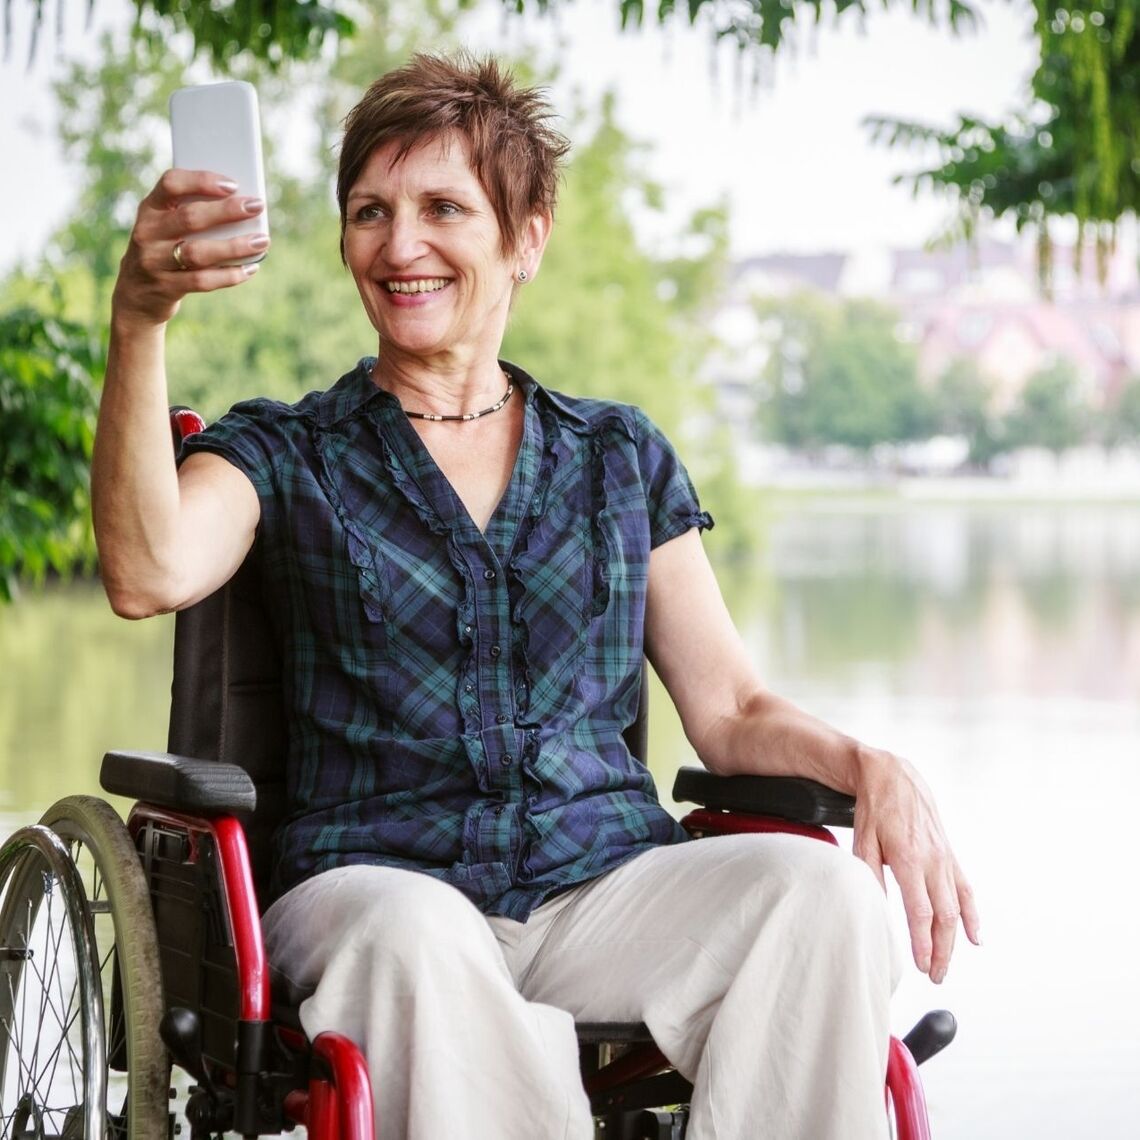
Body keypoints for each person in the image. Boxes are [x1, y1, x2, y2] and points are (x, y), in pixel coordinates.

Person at [93, 52, 980, 1140]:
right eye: (369, 211)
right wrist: (141, 321)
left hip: (602, 889)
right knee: (419, 934)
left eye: (442, 208)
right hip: (373, 890)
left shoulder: (617, 456)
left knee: (823, 894)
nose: (398, 244)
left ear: (528, 237)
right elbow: (147, 572)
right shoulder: (288, 451)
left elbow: (734, 711)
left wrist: (867, 765)